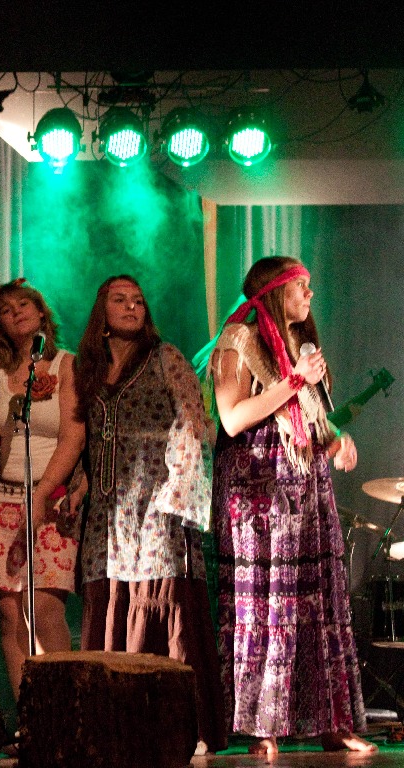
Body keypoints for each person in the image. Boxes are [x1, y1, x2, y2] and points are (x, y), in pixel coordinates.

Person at [32, 274, 226, 753]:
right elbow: (94, 441)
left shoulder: (165, 357)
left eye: (138, 300)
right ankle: (117, 726)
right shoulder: (90, 371)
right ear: (102, 312)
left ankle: (183, 727)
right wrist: (79, 487)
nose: (132, 306)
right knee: (112, 602)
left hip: (158, 501)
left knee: (163, 598)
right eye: (120, 300)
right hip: (109, 512)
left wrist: (179, 491)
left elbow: (195, 420)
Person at [206, 256, 375, 757]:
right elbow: (233, 419)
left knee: (320, 604)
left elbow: (309, 419)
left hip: (306, 486)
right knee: (266, 603)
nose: (310, 295)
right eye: (302, 286)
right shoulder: (239, 340)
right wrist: (296, 380)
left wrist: (336, 439)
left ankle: (332, 723)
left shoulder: (298, 345)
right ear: (277, 291)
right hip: (259, 490)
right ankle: (264, 728)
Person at [0, 277, 84, 703]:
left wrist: (45, 491)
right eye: (6, 309)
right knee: (10, 615)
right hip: (3, 499)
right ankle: (29, 717)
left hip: (50, 500)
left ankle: (66, 711)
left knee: (45, 609)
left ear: (40, 313)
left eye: (23, 305)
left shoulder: (66, 365)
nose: (15, 312)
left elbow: (74, 436)